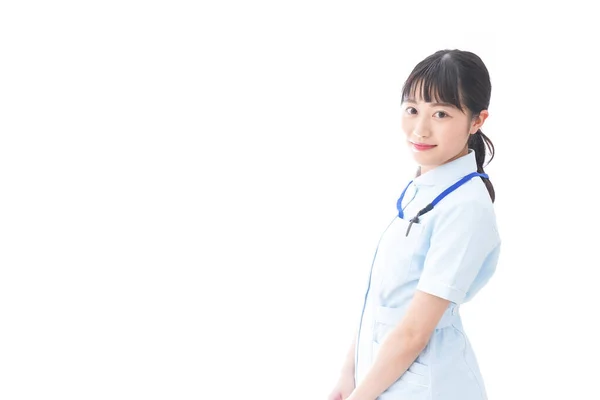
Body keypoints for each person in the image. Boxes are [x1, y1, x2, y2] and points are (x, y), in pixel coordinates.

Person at [327, 49, 501, 400]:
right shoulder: (423, 188)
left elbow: (414, 332)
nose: (420, 129)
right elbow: (383, 302)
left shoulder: (467, 207)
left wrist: (362, 395)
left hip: (430, 388)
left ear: (477, 121)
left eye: (441, 113)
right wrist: (349, 375)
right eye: (412, 110)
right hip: (382, 379)